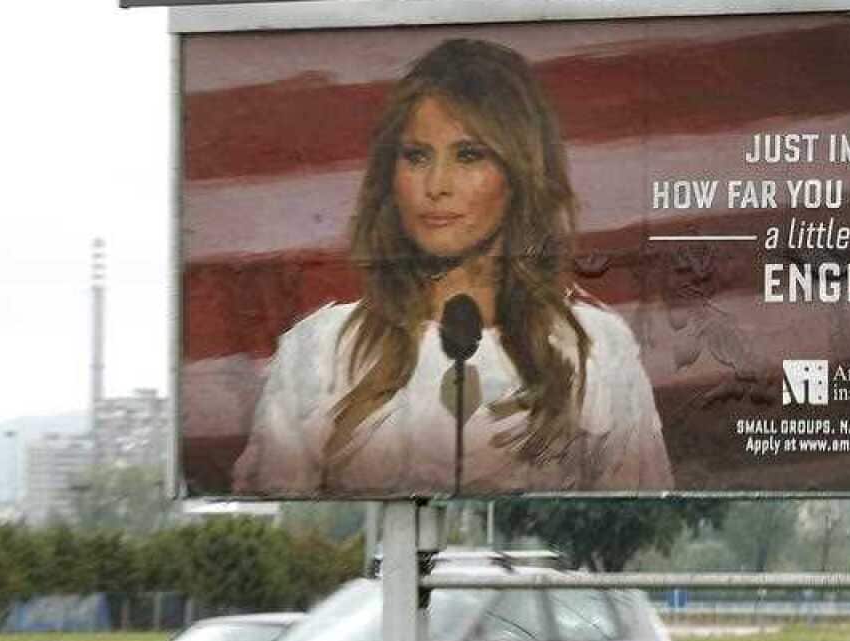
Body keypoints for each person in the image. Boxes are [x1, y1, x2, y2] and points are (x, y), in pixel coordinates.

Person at [233, 38, 672, 496]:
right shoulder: (320, 351)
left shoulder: (597, 350)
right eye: (417, 156)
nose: (437, 185)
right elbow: (275, 527)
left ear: (519, 172)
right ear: (391, 172)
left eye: (469, 155)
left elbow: (640, 517)